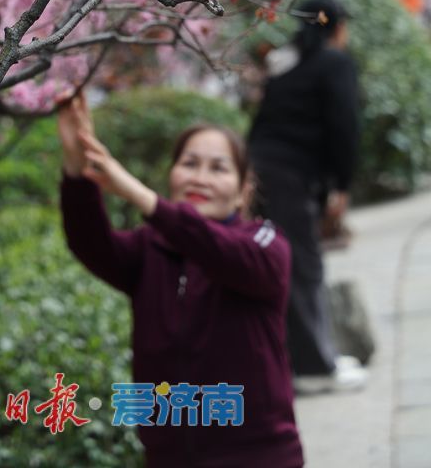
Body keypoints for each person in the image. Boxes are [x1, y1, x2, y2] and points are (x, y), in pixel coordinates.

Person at [58, 94, 304, 467]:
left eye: (218, 168)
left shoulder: (264, 244)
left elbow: (220, 251)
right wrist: (77, 172)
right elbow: (90, 242)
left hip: (258, 456)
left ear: (243, 192)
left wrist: (140, 195)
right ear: (173, 174)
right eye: (189, 164)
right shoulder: (149, 248)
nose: (200, 178)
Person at [248, 0, 366, 394]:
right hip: (289, 176)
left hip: (262, 170)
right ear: (337, 26)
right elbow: (343, 127)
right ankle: (316, 367)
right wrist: (343, 185)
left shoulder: (285, 62)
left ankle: (313, 355)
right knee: (302, 265)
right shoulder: (334, 63)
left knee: (288, 263)